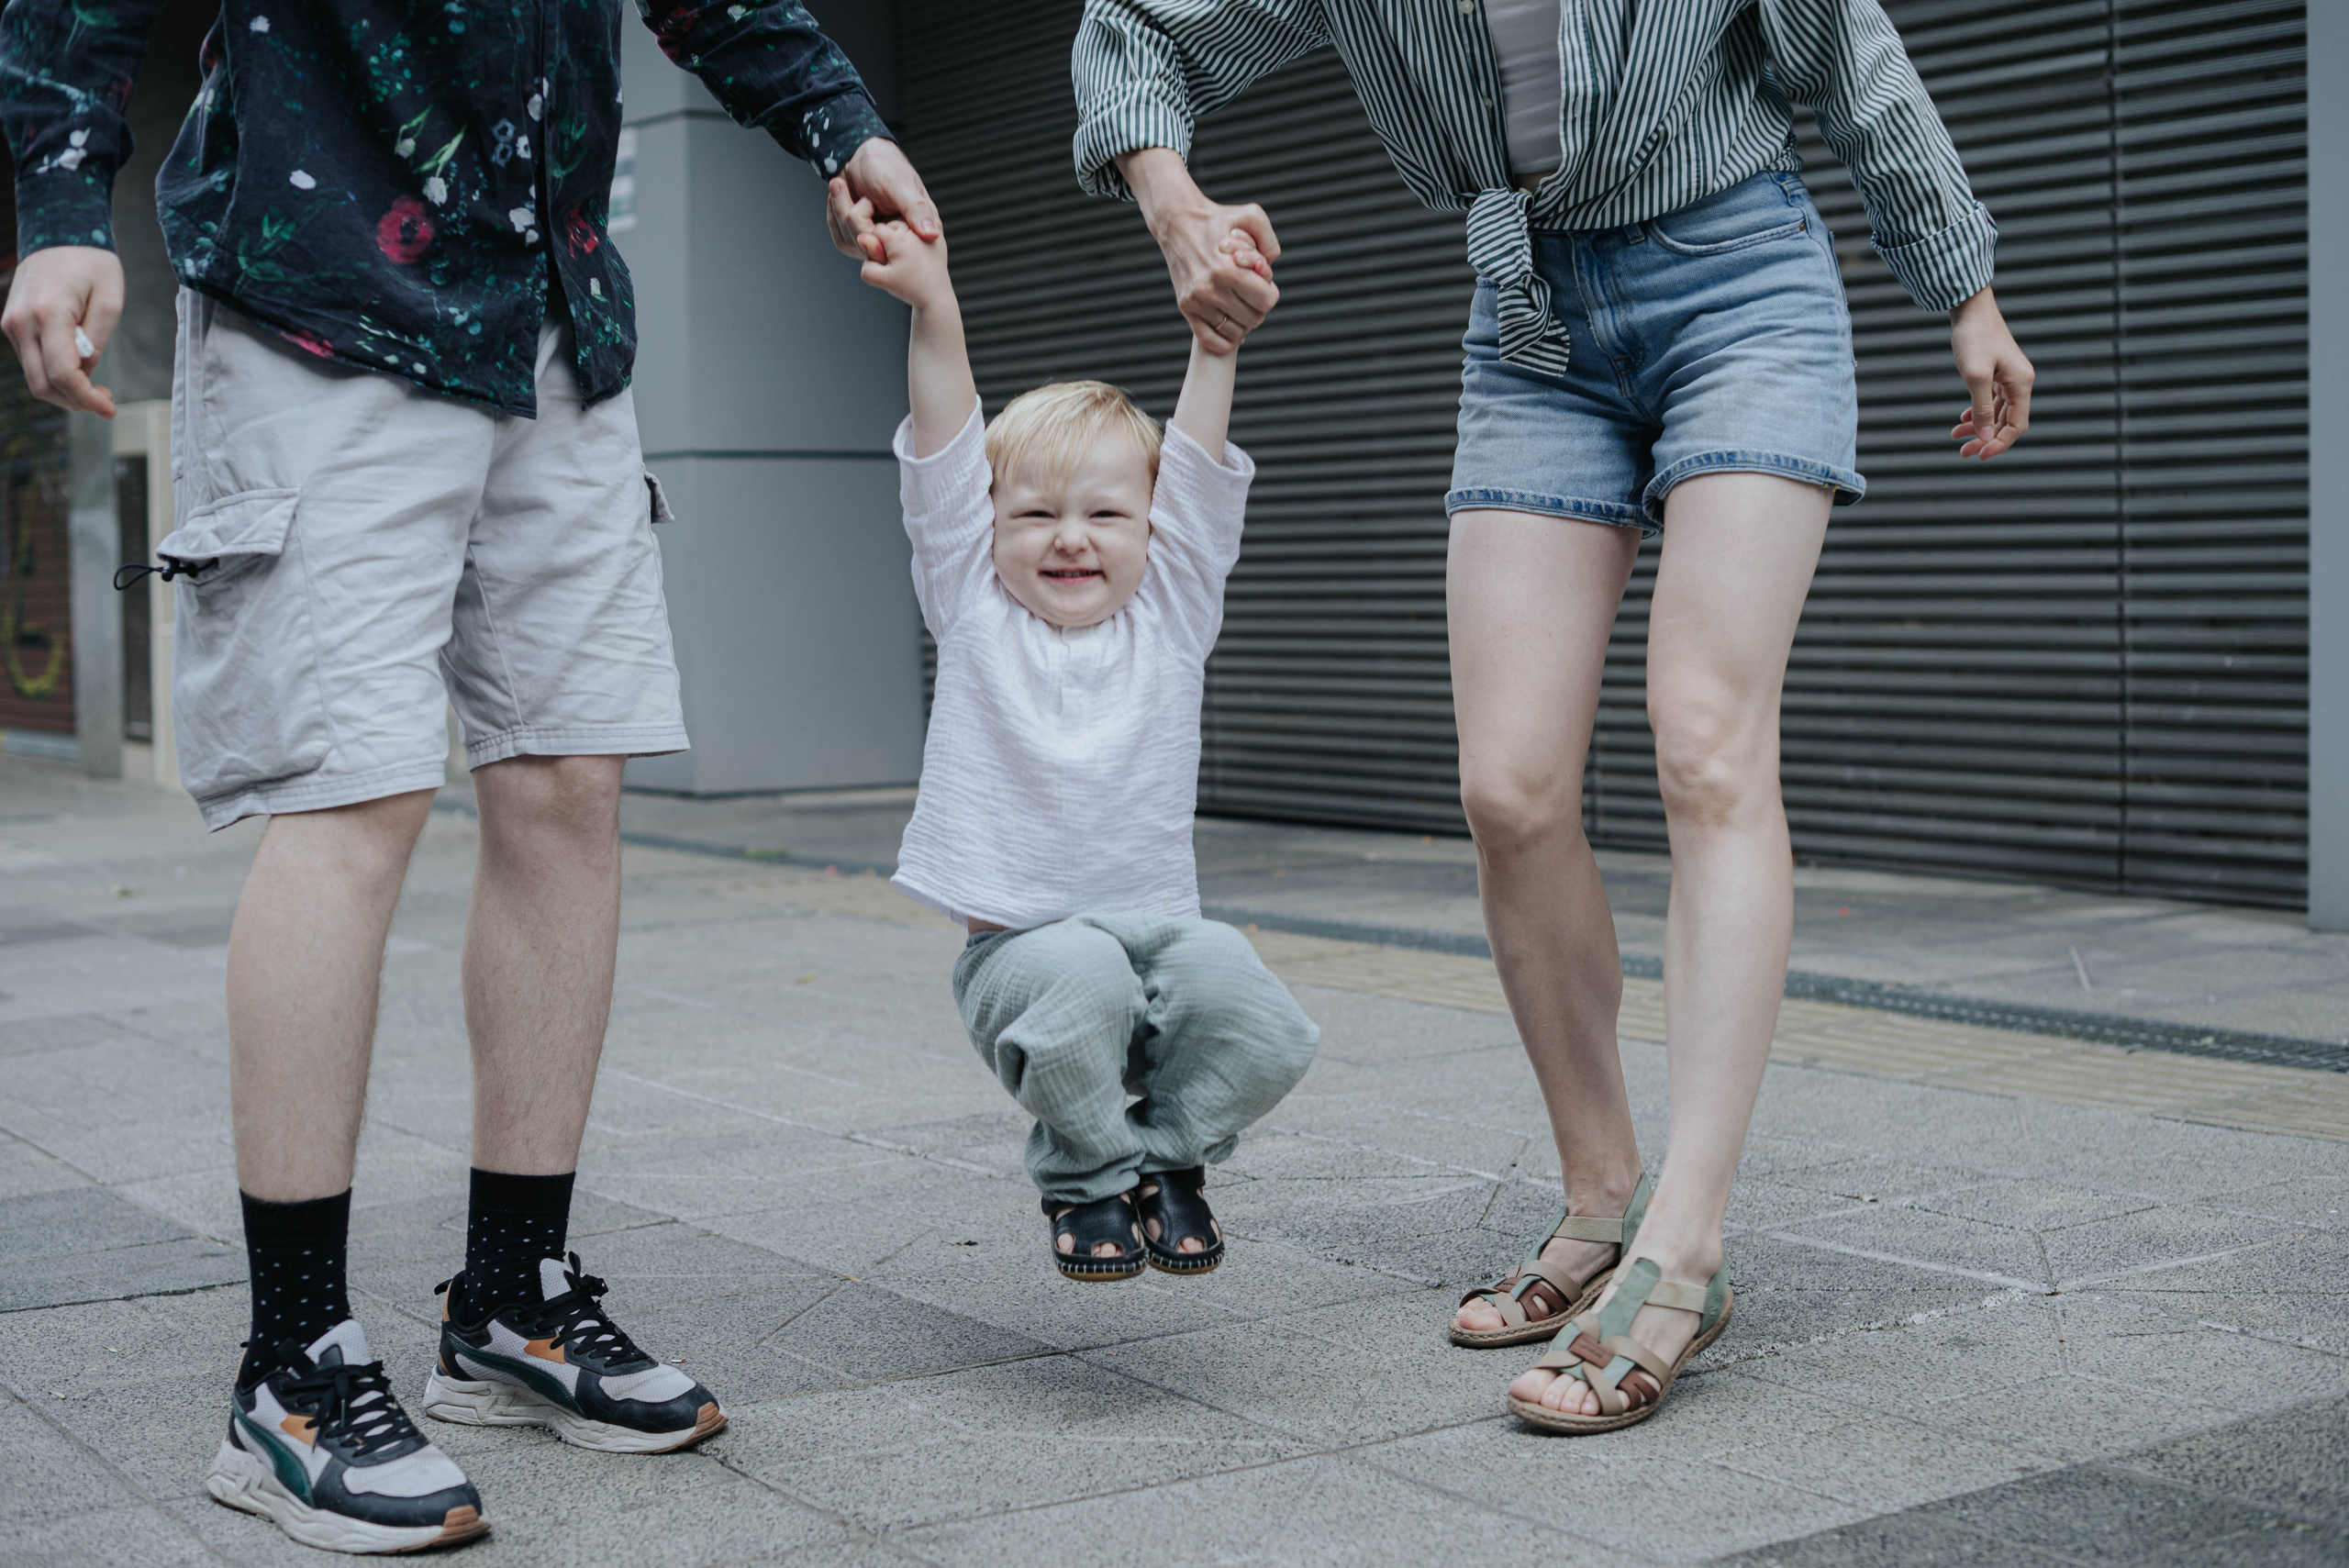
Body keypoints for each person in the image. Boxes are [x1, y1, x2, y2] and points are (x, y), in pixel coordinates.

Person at [0, 0, 940, 1550]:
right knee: (350, 793)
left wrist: (844, 118)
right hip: (323, 288)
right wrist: (58, 205)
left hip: (554, 308)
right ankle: (291, 1366)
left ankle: (512, 1298)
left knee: (570, 782)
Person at [1073, 0, 2033, 1431]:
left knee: (1707, 745)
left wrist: (1964, 291)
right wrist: (1175, 205)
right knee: (1509, 792)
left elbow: (1845, 48)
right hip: (1529, 320)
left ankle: (1684, 1246)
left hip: (1740, 286)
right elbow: (1134, 26)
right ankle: (1602, 1193)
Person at [851, 209, 1321, 1283]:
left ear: (1154, 530)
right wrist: (934, 302)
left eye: (1106, 514)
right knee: (1084, 974)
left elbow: (1197, 472)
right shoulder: (972, 604)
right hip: (1022, 952)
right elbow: (943, 456)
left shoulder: (1174, 608)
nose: (1070, 537)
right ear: (988, 529)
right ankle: (1086, 1175)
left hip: (1156, 932)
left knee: (1249, 999)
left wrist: (1214, 342)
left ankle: (1163, 1158)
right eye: (1034, 515)